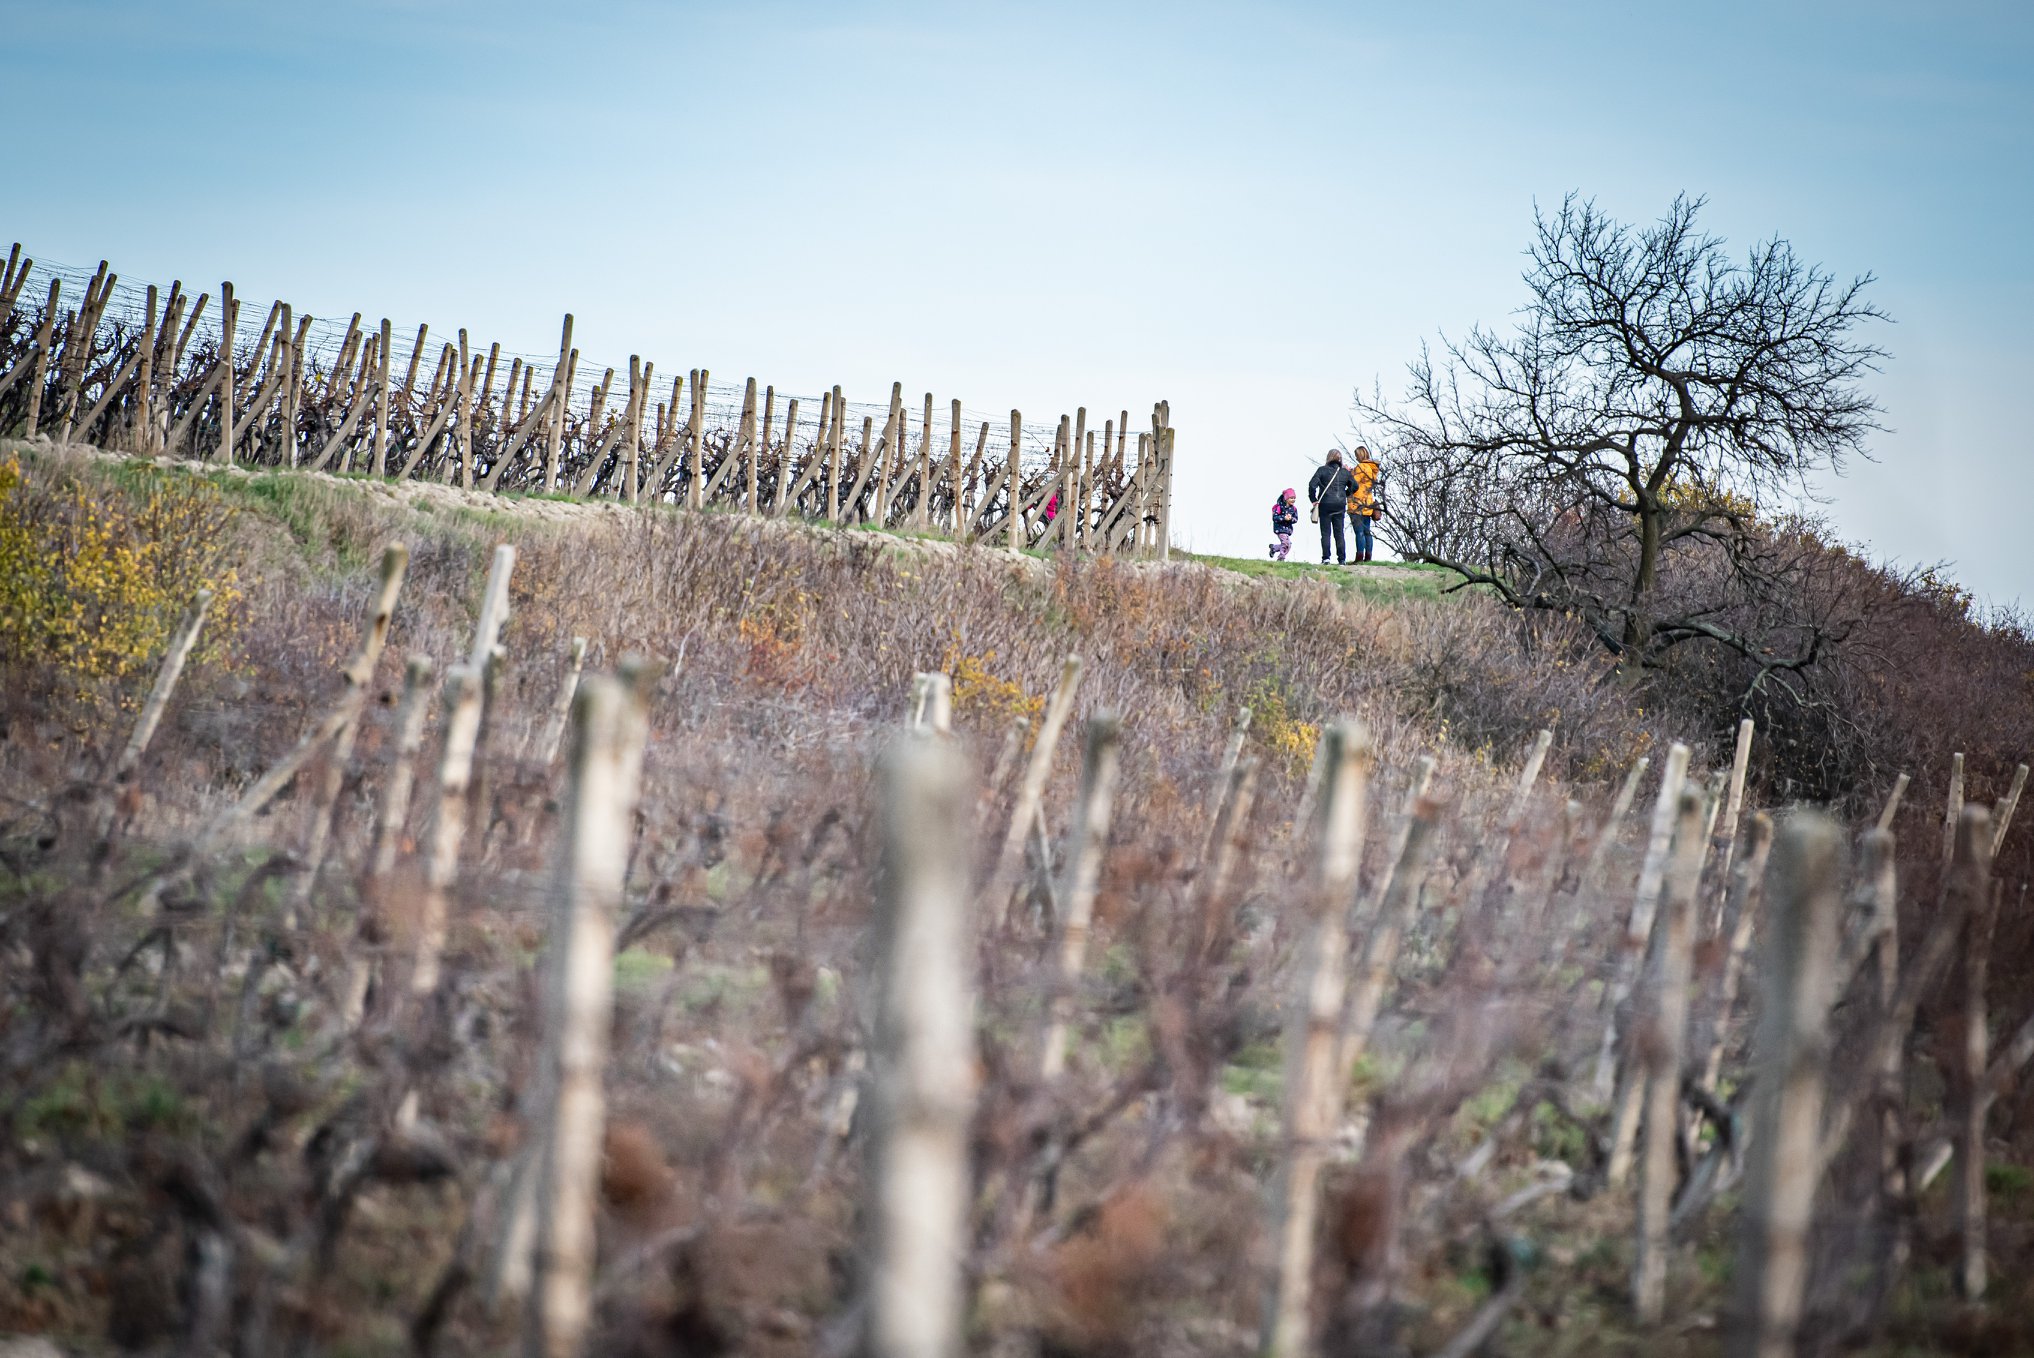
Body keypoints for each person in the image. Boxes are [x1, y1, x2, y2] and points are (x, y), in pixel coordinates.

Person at [1307, 448, 1355, 564]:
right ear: (1340, 459)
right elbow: (1355, 486)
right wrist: (1345, 494)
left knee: (1325, 533)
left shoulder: (1322, 470)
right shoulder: (1345, 472)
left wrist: (1314, 500)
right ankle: (1342, 560)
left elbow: (1312, 485)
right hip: (1339, 505)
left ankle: (1326, 558)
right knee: (1339, 533)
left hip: (1325, 504)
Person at [1349, 446, 1381, 563]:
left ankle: (1359, 557)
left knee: (1359, 532)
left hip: (1357, 503)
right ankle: (1368, 557)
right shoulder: (1372, 468)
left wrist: (1349, 473)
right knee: (1367, 531)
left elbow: (1353, 482)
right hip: (1368, 503)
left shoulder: (1361, 467)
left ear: (1359, 455)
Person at [1269, 488, 1298, 560]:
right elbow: (1275, 517)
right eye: (1291, 498)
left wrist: (1290, 519)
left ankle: (1274, 548)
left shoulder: (1294, 509)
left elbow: (1296, 519)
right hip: (1280, 529)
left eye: (1294, 498)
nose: (1293, 500)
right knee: (1285, 543)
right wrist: (1284, 518)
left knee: (1288, 545)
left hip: (1287, 530)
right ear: (1286, 498)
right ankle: (1281, 557)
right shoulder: (1279, 507)